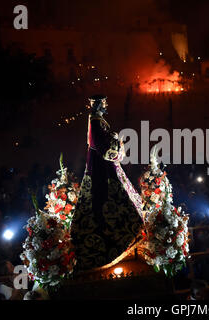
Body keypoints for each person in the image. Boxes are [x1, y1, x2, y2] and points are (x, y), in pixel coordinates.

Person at [71, 95, 142, 271]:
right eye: (103, 103)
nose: (106, 105)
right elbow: (103, 148)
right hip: (102, 172)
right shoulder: (95, 121)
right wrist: (117, 143)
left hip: (105, 169)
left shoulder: (98, 120)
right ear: (98, 105)